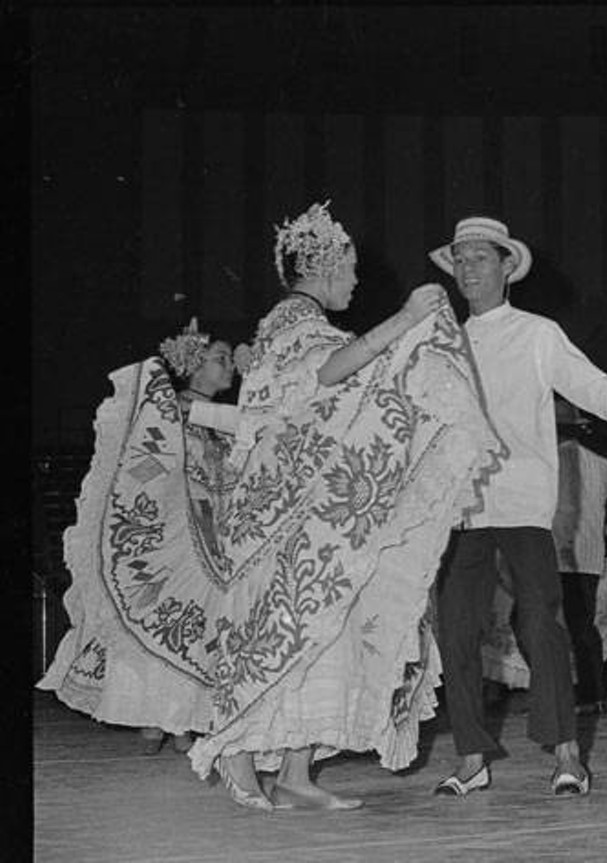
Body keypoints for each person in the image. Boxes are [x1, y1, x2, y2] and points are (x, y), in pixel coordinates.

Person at [159, 201, 502, 811]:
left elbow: (307, 406)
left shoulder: (287, 325)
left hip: (287, 504)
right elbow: (329, 372)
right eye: (349, 266)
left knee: (318, 625)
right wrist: (404, 321)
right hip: (276, 510)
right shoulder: (296, 317)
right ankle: (238, 754)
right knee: (281, 625)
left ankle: (295, 775)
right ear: (323, 265)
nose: (355, 279)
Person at [429, 216, 607, 798]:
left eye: (480, 259)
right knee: (456, 632)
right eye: (460, 260)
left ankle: (567, 755)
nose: (468, 270)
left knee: (542, 625)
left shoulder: (537, 333)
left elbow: (588, 383)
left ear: (507, 266)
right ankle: (471, 758)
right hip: (461, 511)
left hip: (520, 506)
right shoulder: (441, 342)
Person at [37, 319, 238, 756]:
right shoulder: (169, 413)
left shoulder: (222, 419)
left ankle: (180, 719)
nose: (230, 368)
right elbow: (147, 467)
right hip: (177, 535)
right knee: (168, 616)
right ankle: (158, 719)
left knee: (201, 623)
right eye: (220, 359)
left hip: (216, 538)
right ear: (194, 366)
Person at [480, 400, 607, 715]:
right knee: (580, 627)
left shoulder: (541, 465)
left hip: (549, 558)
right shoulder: (597, 463)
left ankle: (557, 692)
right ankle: (589, 695)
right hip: (586, 560)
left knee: (530, 624)